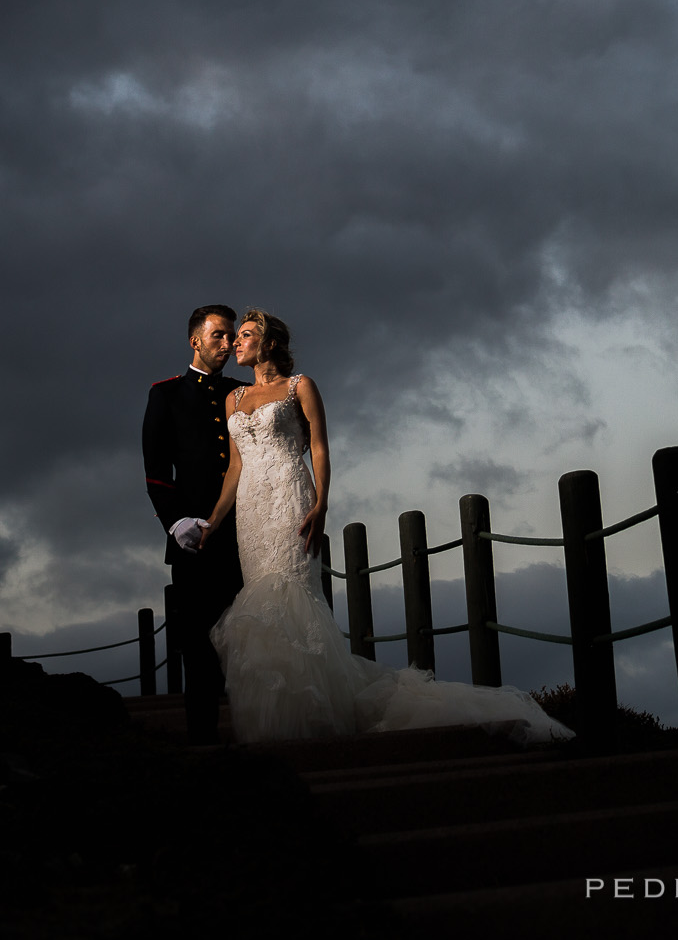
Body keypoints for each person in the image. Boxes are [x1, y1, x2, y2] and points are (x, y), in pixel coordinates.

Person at [190, 308, 572, 745]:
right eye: (234, 336)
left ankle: (312, 716)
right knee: (261, 608)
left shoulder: (301, 386)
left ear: (270, 343)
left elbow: (318, 446)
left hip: (289, 501)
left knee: (293, 598)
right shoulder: (233, 400)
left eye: (246, 335)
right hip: (251, 512)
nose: (236, 343)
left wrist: (321, 503)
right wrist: (214, 520)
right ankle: (274, 723)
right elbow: (235, 466)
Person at [142, 304, 246, 745]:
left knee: (251, 639)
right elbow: (155, 472)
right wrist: (176, 522)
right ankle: (204, 743)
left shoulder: (243, 393)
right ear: (195, 341)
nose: (227, 344)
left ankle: (256, 731)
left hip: (246, 533)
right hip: (195, 539)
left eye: (231, 336)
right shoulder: (165, 394)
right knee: (200, 646)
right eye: (219, 336)